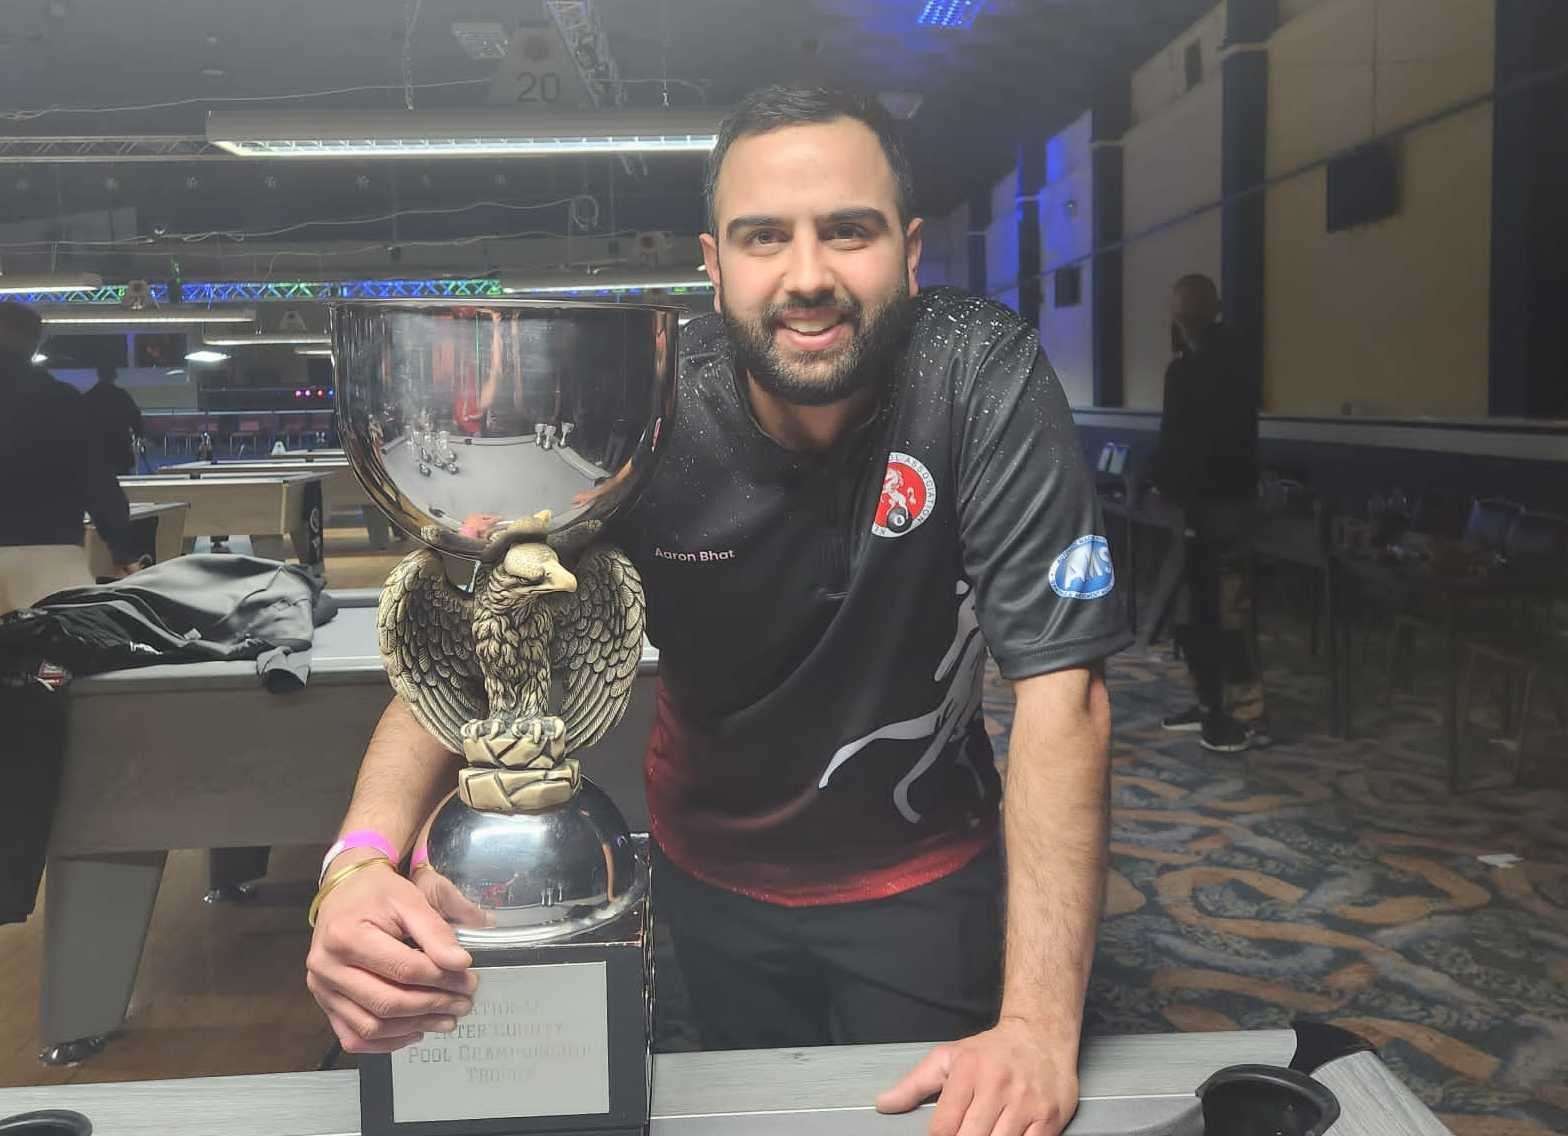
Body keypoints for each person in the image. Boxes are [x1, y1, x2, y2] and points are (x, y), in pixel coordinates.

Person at [305, 87, 1130, 1136]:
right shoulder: (649, 405)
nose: (807, 276)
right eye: (762, 237)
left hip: (924, 871)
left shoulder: (978, 371)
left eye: (848, 231)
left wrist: (1037, 1026)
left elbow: (1066, 695)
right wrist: (358, 862)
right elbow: (485, 658)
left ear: (909, 250)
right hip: (705, 875)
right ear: (712, 260)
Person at [1149, 274, 1268, 752]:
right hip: (1207, 505)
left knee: (1225, 614)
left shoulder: (1209, 368)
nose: (1181, 318)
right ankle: (1210, 704)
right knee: (1199, 614)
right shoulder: (1209, 363)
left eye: (1184, 310)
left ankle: (1242, 718)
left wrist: (1170, 483)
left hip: (1220, 506)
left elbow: (1191, 442)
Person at [0, 302, 139, 613]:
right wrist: (123, 550)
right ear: (34, 343)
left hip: (47, 554)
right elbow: (98, 482)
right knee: (57, 657)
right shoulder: (64, 400)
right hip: (52, 558)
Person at [81, 362, 145, 475]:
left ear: (99, 375)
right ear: (114, 376)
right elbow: (135, 416)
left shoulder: (89, 397)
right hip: (119, 446)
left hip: (97, 448)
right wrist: (139, 434)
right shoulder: (122, 396)